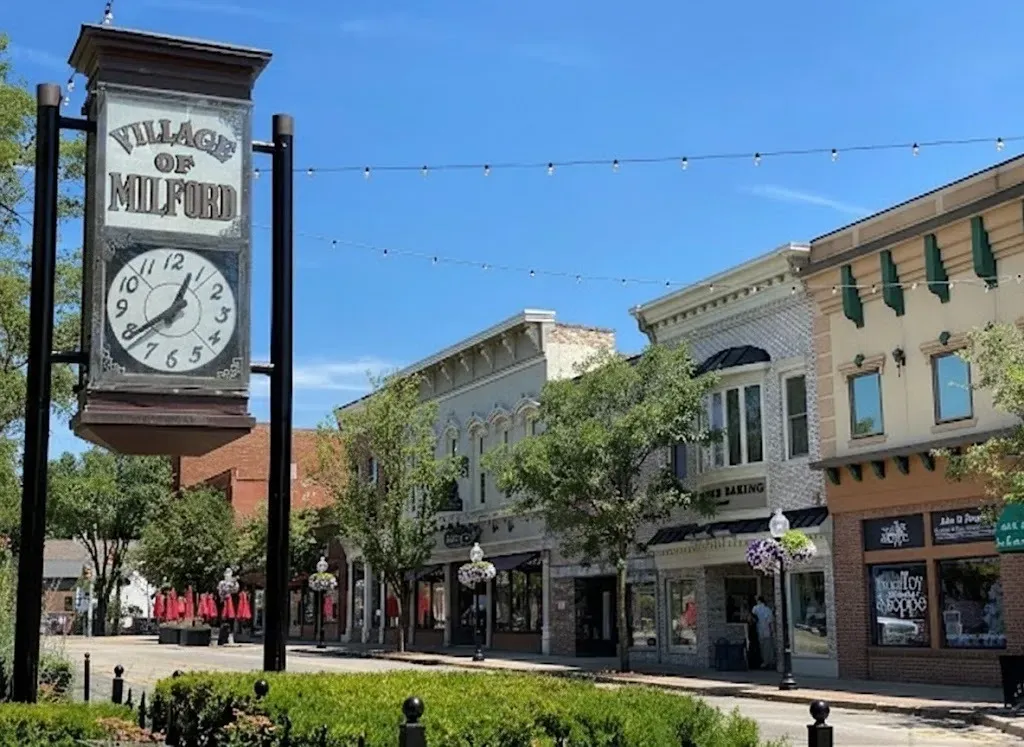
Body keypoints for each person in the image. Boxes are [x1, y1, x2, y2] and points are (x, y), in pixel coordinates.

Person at [752, 596, 775, 670]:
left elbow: (752, 617)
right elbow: (770, 622)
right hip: (767, 630)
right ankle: (769, 661)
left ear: (758, 601)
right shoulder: (768, 610)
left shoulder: (755, 608)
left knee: (762, 647)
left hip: (759, 630)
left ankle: (764, 662)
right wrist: (773, 631)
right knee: (768, 647)